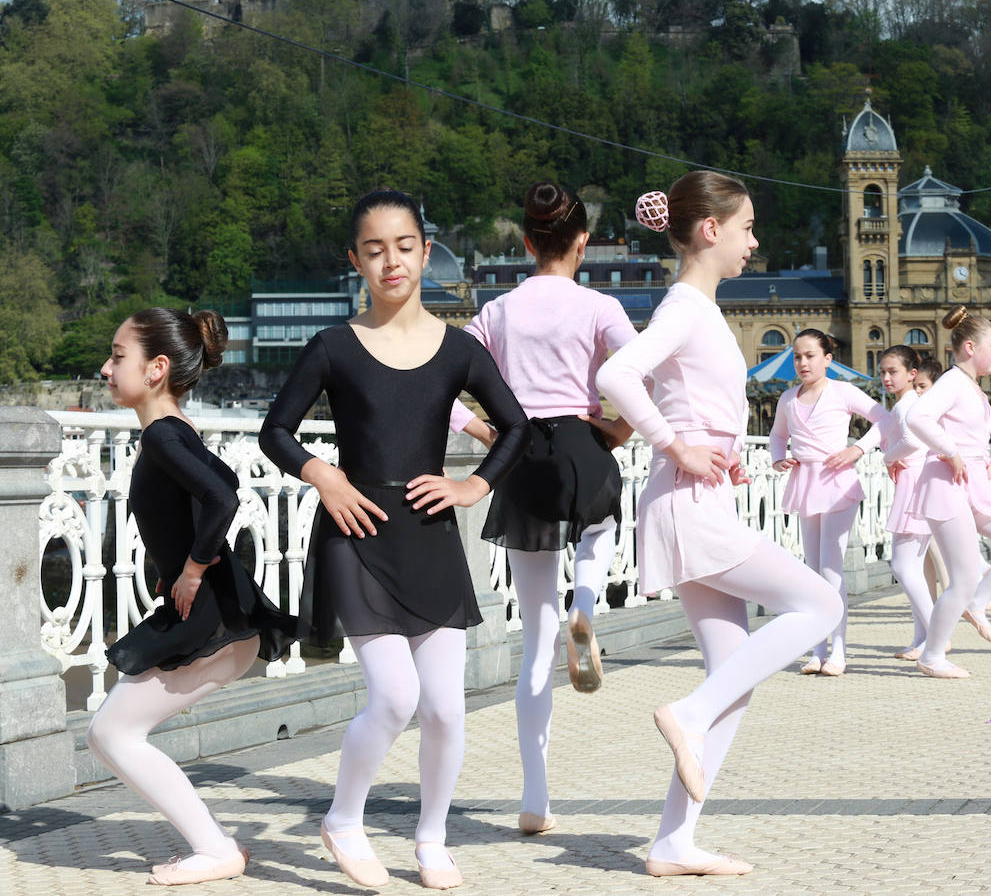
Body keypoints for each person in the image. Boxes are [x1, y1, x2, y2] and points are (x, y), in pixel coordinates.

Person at [259, 188, 531, 889]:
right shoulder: (334, 347)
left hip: (430, 536)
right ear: (356, 260)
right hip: (355, 534)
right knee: (394, 697)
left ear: (425, 252)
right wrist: (325, 477)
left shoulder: (458, 350)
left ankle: (431, 838)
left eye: (404, 246)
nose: (391, 261)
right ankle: (343, 819)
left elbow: (517, 426)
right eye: (374, 250)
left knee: (444, 707)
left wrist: (472, 487)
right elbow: (275, 431)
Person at [596, 172, 842, 876]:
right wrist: (675, 443)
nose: (754, 242)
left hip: (697, 494)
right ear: (711, 230)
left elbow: (690, 399)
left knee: (735, 674)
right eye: (747, 228)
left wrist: (719, 453)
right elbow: (618, 376)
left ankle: (674, 841)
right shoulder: (687, 306)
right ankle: (691, 714)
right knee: (821, 603)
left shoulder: (696, 307)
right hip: (687, 502)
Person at [447, 182, 636, 835]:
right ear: (581, 242)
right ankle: (588, 601)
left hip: (521, 454)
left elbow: (438, 381)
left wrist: (485, 434)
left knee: (535, 637)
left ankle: (535, 798)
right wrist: (620, 429)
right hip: (580, 444)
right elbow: (643, 376)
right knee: (603, 524)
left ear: (526, 242)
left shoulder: (497, 313)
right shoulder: (598, 305)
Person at [86, 308, 296, 885]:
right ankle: (214, 846)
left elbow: (222, 501)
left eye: (117, 356)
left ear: (156, 368)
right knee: (114, 732)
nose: (106, 368)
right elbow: (223, 484)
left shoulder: (161, 435)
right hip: (220, 616)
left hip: (210, 618)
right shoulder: (176, 430)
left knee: (110, 733)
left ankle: (215, 849)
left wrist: (194, 568)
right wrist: (179, 565)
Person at [889, 306, 991, 678]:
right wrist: (951, 452)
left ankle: (977, 601)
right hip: (947, 483)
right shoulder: (952, 382)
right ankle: (932, 655)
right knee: (960, 579)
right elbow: (917, 418)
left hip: (974, 481)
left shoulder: (970, 387)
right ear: (971, 347)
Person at [770, 328, 886, 676]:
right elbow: (778, 435)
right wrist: (779, 458)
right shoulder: (788, 398)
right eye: (797, 356)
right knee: (812, 567)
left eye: (810, 355)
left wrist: (857, 449)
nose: (803, 362)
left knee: (830, 567)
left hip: (837, 483)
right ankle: (818, 650)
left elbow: (886, 419)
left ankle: (838, 651)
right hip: (805, 481)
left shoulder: (842, 391)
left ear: (828, 359)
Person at [875, 347, 942, 660]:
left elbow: (913, 441)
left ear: (912, 374)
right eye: (883, 372)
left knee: (903, 565)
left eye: (893, 372)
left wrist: (888, 456)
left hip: (913, 483)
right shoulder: (913, 403)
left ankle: (935, 634)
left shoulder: (906, 406)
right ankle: (923, 636)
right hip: (919, 481)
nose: (886, 378)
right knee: (912, 564)